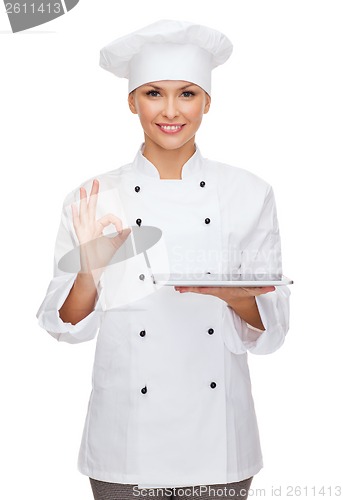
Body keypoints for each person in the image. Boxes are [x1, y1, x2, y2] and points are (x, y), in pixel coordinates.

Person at [37, 19, 291, 500]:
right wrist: (90, 269)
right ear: (131, 101)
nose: (171, 110)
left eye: (187, 94)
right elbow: (62, 324)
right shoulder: (94, 196)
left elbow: (273, 328)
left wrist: (238, 300)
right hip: (125, 445)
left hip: (219, 444)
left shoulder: (249, 193)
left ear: (208, 103)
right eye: (154, 93)